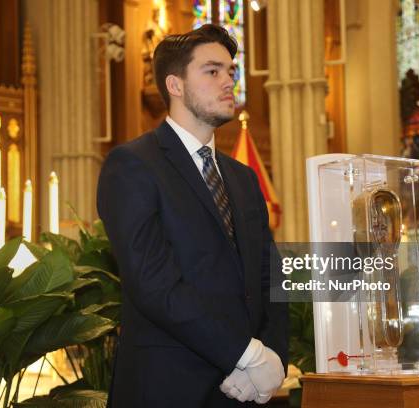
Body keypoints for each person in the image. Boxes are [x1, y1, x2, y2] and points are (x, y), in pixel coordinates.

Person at [97, 24, 288, 407]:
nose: (229, 82)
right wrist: (246, 354)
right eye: (213, 71)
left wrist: (276, 359)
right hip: (168, 388)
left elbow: (271, 275)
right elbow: (154, 285)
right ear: (175, 85)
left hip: (245, 392)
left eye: (231, 72)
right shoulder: (133, 165)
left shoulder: (244, 178)